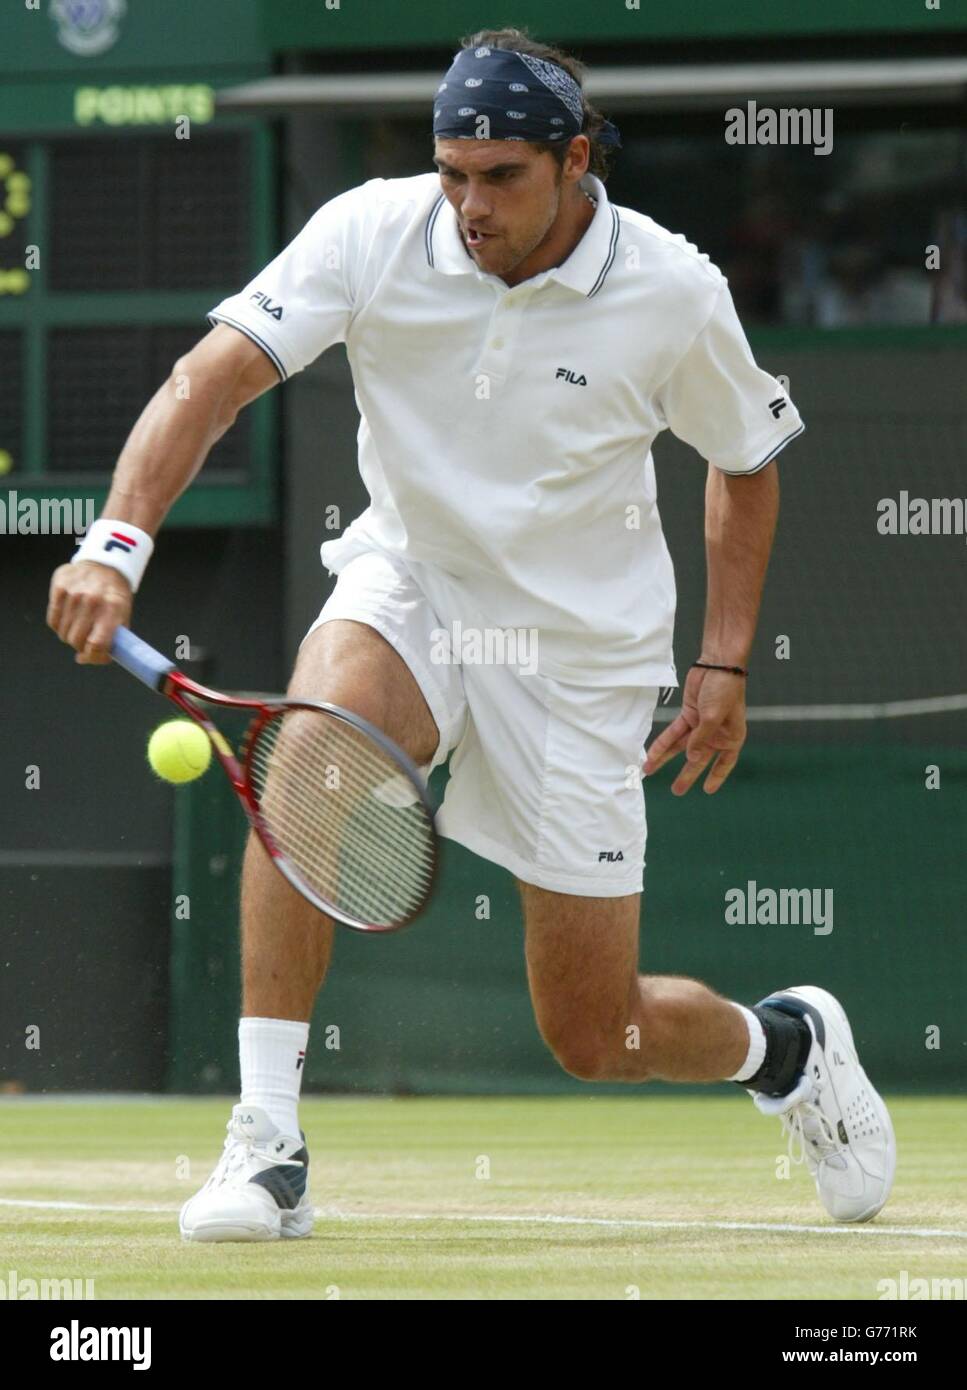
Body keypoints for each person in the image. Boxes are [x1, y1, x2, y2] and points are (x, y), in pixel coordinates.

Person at [47, 27, 894, 1242]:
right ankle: (268, 1140)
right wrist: (114, 543)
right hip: (418, 583)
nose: (468, 204)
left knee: (598, 1035)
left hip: (579, 654)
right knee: (309, 755)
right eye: (452, 171)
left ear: (574, 159)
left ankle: (788, 1048)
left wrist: (723, 659)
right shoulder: (371, 231)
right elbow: (208, 379)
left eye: (500, 176)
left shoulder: (672, 290)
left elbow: (744, 465)